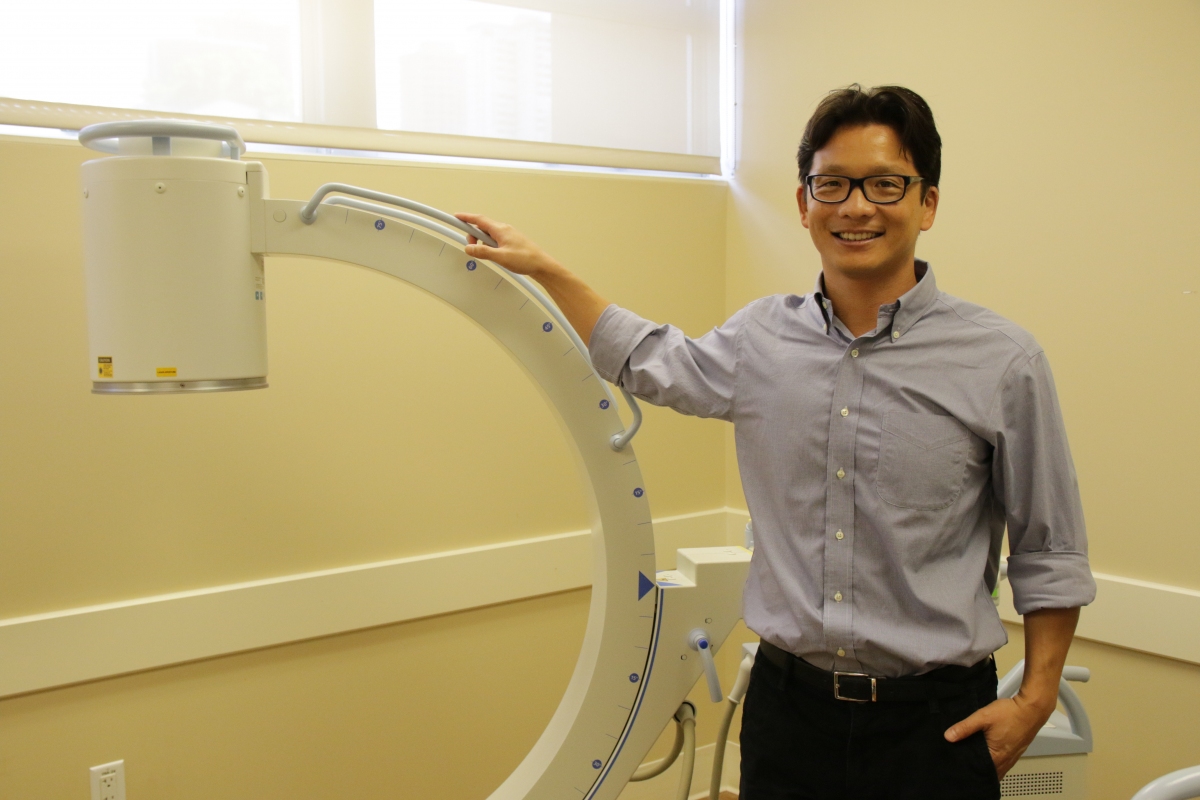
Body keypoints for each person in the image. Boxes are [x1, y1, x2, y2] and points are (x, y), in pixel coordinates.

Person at [456, 84, 1095, 800]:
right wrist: (546, 269)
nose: (856, 206)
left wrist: (1035, 702)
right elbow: (650, 359)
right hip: (790, 719)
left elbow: (1050, 547)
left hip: (934, 728)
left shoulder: (1003, 361)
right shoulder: (762, 340)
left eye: (886, 184)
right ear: (803, 204)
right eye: (833, 184)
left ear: (928, 204)